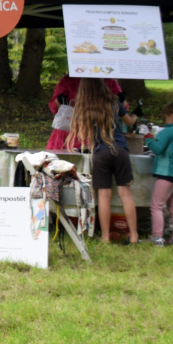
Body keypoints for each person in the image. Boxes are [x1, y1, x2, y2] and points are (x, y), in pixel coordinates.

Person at [73, 77, 137, 244]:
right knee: (126, 193)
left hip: (101, 152)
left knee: (104, 195)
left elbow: (84, 136)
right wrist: (136, 115)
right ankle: (134, 236)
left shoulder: (84, 108)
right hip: (120, 149)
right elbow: (129, 121)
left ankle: (105, 236)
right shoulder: (114, 103)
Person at [145, 102, 173, 246]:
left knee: (156, 206)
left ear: (172, 117)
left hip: (165, 174)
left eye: (165, 117)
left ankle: (157, 236)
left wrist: (148, 137)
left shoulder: (167, 132)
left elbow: (157, 149)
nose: (165, 120)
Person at [47, 75, 122, 151]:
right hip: (70, 129)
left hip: (96, 130)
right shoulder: (68, 80)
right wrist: (60, 101)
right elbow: (54, 107)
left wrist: (119, 100)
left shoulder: (109, 81)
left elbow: (120, 110)